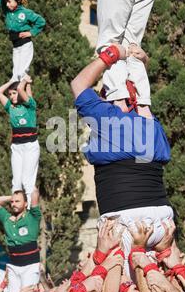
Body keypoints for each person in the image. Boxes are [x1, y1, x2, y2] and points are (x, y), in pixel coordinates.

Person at [71, 44, 173, 268]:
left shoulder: (108, 119)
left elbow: (78, 84)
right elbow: (142, 102)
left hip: (125, 219)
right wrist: (141, 61)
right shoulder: (153, 127)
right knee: (162, 285)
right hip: (162, 218)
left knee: (124, 289)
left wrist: (111, 55)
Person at [0, 75, 40, 207]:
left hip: (30, 146)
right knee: (16, 181)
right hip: (17, 147)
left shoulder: (30, 106)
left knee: (28, 181)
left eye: (14, 93)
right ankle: (16, 206)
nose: (11, 96)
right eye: (9, 94)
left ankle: (30, 208)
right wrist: (10, 81)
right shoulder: (10, 107)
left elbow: (22, 89)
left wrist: (26, 80)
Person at [0, 188, 41, 292]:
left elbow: (34, 194)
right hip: (13, 266)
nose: (13, 204)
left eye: (17, 201)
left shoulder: (32, 216)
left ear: (26, 203)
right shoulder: (6, 218)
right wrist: (12, 197)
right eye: (12, 202)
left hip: (30, 266)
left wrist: (29, 186)